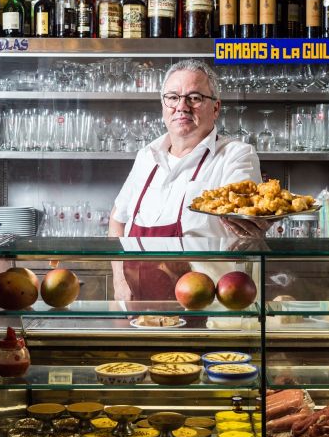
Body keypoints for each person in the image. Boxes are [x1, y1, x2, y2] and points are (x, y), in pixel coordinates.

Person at [108, 59, 267, 300]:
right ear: (163, 105)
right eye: (172, 97)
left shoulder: (236, 155)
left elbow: (244, 220)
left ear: (215, 108)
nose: (181, 106)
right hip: (139, 308)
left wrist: (253, 224)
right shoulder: (146, 156)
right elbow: (117, 220)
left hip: (210, 306)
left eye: (194, 97)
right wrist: (120, 282)